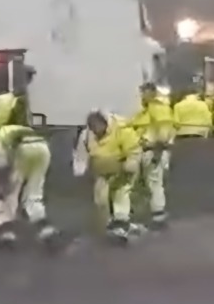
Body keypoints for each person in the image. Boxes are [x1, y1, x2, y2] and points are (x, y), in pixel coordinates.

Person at [0, 120, 62, 250]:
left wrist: (0, 185)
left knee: (12, 194)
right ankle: (46, 230)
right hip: (43, 148)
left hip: (22, 149)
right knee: (34, 194)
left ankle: (6, 233)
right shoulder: (8, 128)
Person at [75, 110, 142, 245]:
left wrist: (130, 165)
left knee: (120, 194)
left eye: (98, 128)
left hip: (121, 168)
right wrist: (80, 170)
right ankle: (108, 225)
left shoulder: (122, 129)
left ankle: (121, 226)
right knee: (100, 199)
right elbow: (81, 154)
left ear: (105, 123)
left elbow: (134, 149)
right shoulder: (87, 134)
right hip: (101, 170)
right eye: (93, 129)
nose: (96, 132)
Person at [130, 82, 176, 230]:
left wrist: (157, 150)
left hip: (153, 150)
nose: (141, 96)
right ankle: (145, 214)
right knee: (145, 184)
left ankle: (158, 216)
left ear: (151, 93)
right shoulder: (145, 111)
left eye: (143, 92)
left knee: (154, 182)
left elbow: (163, 133)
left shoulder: (159, 109)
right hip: (143, 151)